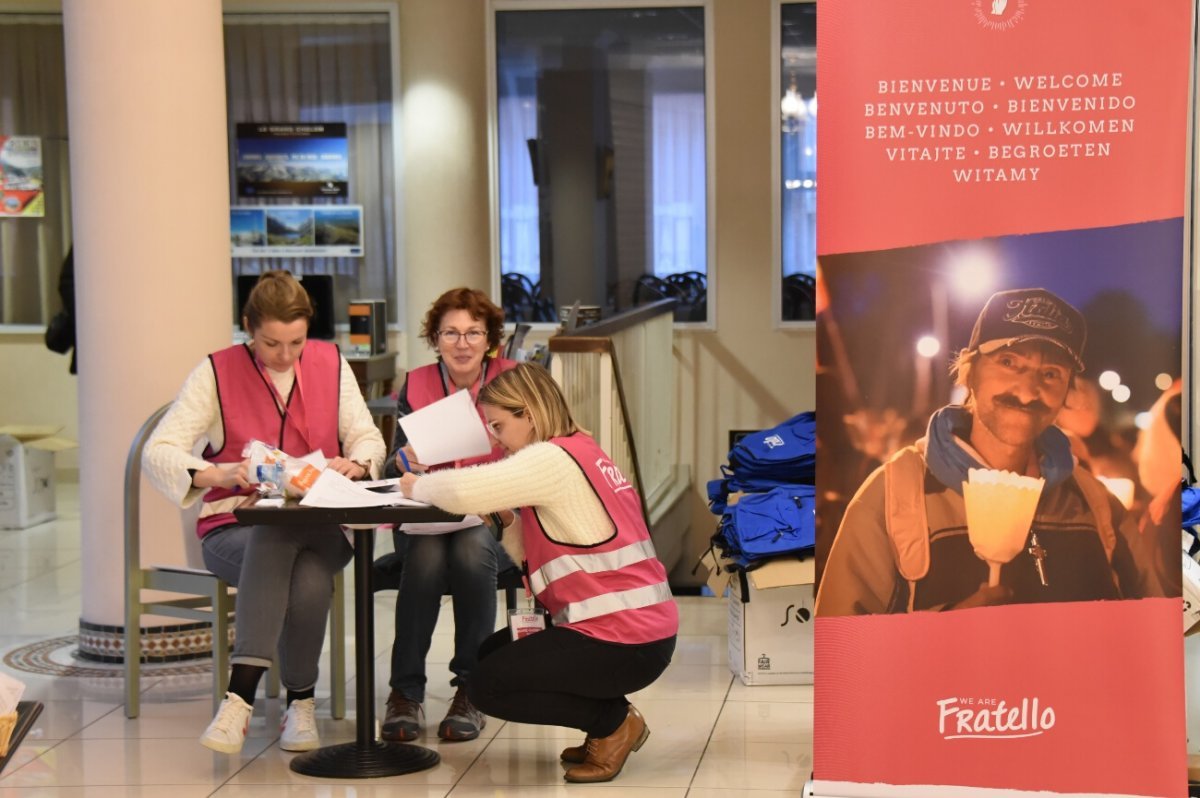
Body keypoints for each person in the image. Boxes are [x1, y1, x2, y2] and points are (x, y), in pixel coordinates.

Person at [397, 362, 678, 783]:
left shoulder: (551, 458)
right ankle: (608, 720)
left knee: (487, 685)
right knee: (490, 656)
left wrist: (416, 485)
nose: (495, 439)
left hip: (624, 638)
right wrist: (508, 521)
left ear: (528, 413)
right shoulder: (581, 448)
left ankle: (613, 724)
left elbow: (460, 488)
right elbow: (535, 556)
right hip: (632, 630)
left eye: (498, 426)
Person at [143, 270, 384, 753]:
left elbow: (367, 437)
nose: (286, 355)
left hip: (322, 520)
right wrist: (222, 473)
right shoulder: (215, 371)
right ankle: (300, 703)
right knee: (298, 564)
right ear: (247, 327)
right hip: (236, 526)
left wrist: (355, 462)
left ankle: (239, 698)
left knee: (285, 536)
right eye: (271, 343)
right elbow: (160, 450)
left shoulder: (331, 363)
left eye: (296, 342)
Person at [816, 287, 1155, 616]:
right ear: (970, 371)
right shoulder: (892, 497)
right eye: (1009, 361)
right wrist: (942, 638)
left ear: (1067, 391)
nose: (1027, 391)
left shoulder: (1095, 503)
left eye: (1051, 373)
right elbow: (840, 651)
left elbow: (1152, 625)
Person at [380, 287, 517, 743]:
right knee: (425, 555)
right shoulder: (414, 383)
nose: (462, 343)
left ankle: (471, 689)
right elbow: (388, 465)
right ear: (435, 338)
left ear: (489, 339)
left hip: (493, 517)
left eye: (473, 333)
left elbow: (542, 451)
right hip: (426, 516)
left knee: (472, 547)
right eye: (451, 333)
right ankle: (405, 694)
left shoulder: (514, 380)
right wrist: (404, 461)